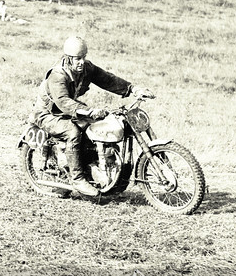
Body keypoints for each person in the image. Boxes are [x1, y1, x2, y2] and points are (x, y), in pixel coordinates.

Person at [31, 36, 154, 197]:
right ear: (68, 59)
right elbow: (63, 102)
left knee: (97, 127)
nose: (81, 62)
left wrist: (133, 89)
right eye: (77, 59)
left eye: (83, 57)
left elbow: (108, 79)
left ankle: (92, 168)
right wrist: (89, 111)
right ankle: (78, 178)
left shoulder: (86, 68)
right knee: (72, 132)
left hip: (69, 111)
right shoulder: (58, 75)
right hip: (47, 113)